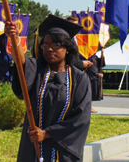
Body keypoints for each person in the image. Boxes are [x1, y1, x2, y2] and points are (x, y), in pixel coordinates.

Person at [7, 15, 91, 162]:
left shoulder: (79, 79)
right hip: (33, 146)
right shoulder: (38, 71)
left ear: (67, 48)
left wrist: (47, 133)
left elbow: (80, 118)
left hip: (62, 148)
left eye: (55, 45)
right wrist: (13, 38)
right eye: (45, 46)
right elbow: (21, 62)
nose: (49, 49)